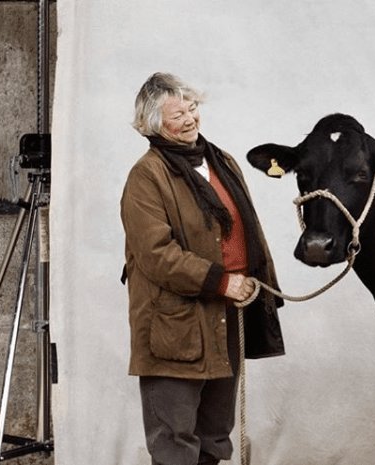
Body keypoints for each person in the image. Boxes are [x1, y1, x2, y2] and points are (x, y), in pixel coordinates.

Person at [120, 72, 285, 465]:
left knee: (214, 432)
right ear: (153, 125)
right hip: (174, 323)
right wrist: (222, 282)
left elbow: (250, 230)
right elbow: (156, 254)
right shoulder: (147, 175)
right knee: (175, 438)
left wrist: (253, 285)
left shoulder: (221, 160)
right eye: (178, 114)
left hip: (228, 313)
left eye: (193, 107)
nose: (191, 118)